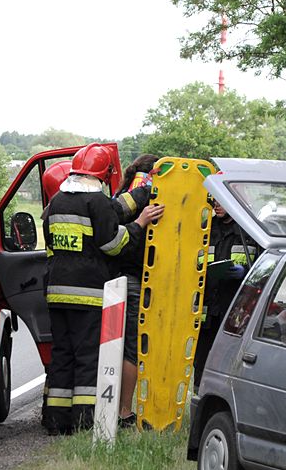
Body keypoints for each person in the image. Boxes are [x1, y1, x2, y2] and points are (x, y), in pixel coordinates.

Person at [42, 143, 163, 435]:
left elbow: (113, 210)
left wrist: (142, 194)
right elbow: (113, 243)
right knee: (86, 358)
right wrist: (140, 223)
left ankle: (56, 421)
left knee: (62, 356)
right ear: (105, 173)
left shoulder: (56, 202)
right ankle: (85, 422)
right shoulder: (95, 202)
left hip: (57, 292)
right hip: (88, 293)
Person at [110, 154, 160, 428]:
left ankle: (116, 406)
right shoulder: (144, 200)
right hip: (136, 281)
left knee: (118, 346)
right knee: (133, 347)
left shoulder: (123, 196)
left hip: (119, 280)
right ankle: (124, 411)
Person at [193, 199, 259, 390]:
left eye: (221, 201)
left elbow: (265, 267)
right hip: (208, 309)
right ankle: (199, 397)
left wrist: (245, 272)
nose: (216, 206)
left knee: (229, 360)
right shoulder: (206, 229)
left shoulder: (250, 231)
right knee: (202, 359)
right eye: (213, 201)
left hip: (234, 309)